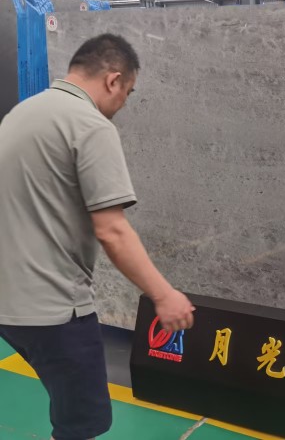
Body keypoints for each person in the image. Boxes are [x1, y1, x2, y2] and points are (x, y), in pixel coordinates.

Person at [0, 34, 195, 440]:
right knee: (83, 424)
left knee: (68, 411)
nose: (123, 103)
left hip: (8, 305)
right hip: (55, 308)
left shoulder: (21, 114)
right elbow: (112, 230)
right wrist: (164, 295)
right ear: (113, 80)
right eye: (128, 92)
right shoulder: (90, 125)